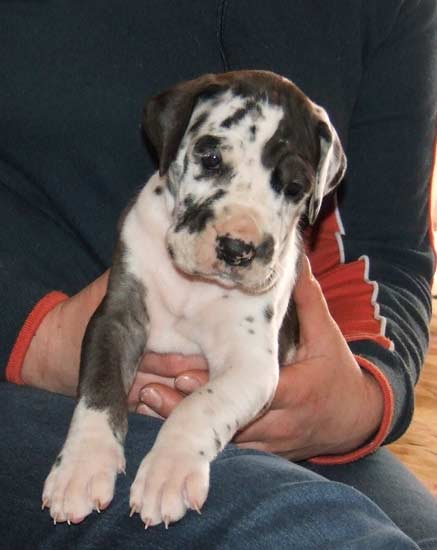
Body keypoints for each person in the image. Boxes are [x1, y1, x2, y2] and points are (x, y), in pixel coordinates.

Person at [1, 1, 436, 548]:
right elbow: (116, 325)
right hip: (30, 385)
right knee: (324, 532)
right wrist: (30, 334)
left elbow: (388, 248)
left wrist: (362, 396)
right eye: (211, 161)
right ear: (171, 143)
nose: (238, 237)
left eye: (291, 187)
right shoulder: (148, 219)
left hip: (269, 423)